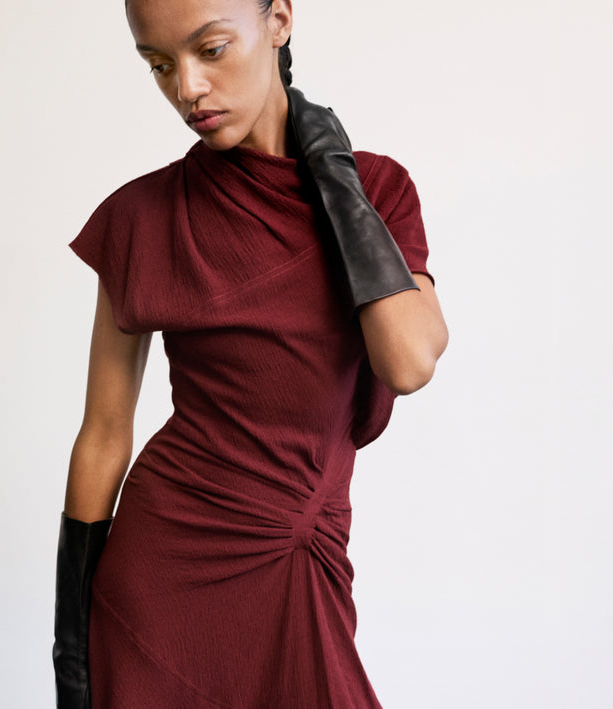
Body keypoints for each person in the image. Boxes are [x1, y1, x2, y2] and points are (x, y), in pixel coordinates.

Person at [51, 0, 449, 707]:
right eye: (160, 66)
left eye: (210, 50)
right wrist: (72, 650)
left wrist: (332, 174)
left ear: (280, 21)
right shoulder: (142, 217)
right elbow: (104, 433)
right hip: (161, 579)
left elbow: (409, 359)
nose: (188, 89)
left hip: (304, 558)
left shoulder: (377, 190)